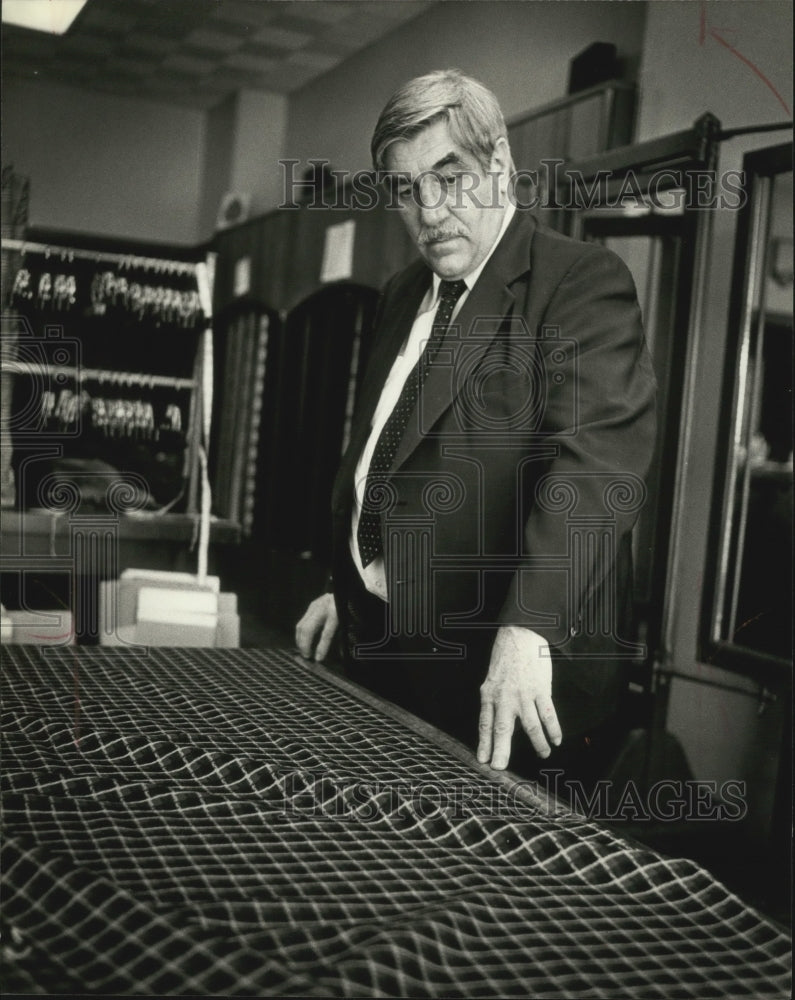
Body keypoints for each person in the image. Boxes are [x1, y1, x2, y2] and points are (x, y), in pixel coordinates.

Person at [296, 69, 656, 784]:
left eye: (449, 176)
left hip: (506, 681)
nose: (429, 211)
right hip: (386, 657)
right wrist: (352, 581)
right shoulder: (403, 294)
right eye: (406, 189)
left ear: (499, 165)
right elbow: (385, 451)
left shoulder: (579, 282)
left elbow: (594, 467)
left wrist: (529, 626)